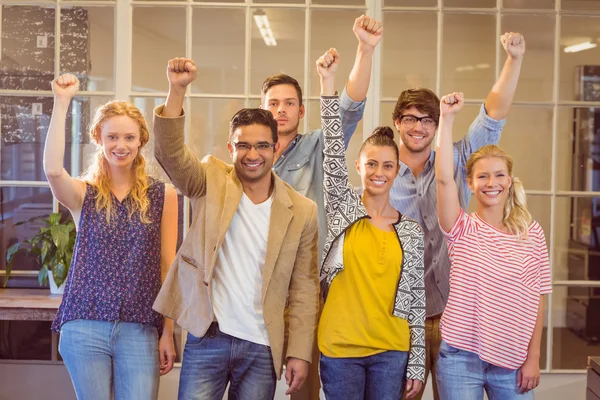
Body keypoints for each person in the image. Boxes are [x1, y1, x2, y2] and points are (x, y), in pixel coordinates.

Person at [151, 58, 320, 400]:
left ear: (275, 148)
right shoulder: (211, 179)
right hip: (207, 335)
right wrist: (177, 90)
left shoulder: (302, 211)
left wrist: (299, 351)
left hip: (261, 345)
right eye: (243, 145)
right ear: (231, 149)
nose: (252, 154)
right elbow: (169, 155)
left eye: (261, 146)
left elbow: (304, 288)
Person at [391, 32, 527, 400]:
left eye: (426, 119)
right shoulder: (382, 172)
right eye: (409, 119)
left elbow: (493, 113)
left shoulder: (459, 157)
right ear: (397, 122)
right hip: (402, 316)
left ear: (437, 124)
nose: (418, 127)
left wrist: (513, 60)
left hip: (460, 315)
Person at [264, 16, 383, 398]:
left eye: (289, 104)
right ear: (263, 110)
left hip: (309, 287)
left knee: (304, 388)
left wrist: (364, 50)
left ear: (302, 111)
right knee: (256, 385)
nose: (281, 110)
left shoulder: (318, 147)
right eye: (273, 104)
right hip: (259, 286)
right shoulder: (248, 159)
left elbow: (349, 107)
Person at [47, 74, 178, 400]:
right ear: (99, 139)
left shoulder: (164, 195)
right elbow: (52, 171)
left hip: (141, 327)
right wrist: (62, 102)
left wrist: (169, 332)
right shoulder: (83, 194)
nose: (121, 145)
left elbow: (168, 266)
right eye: (112, 137)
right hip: (84, 326)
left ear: (141, 141)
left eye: (129, 137)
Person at [317, 48, 425, 400]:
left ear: (397, 171)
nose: (379, 173)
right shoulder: (343, 207)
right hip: (340, 349)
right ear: (359, 168)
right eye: (372, 164)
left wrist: (417, 365)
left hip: (391, 351)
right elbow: (333, 147)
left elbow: (416, 302)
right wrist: (327, 82)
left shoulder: (408, 230)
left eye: (388, 166)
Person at [434, 92, 551, 399]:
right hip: (460, 358)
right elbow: (444, 180)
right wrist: (446, 120)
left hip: (514, 361)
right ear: (470, 183)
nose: (491, 182)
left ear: (510, 180)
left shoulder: (532, 233)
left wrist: (533, 357)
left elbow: (538, 299)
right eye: (482, 176)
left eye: (499, 175)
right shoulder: (460, 228)